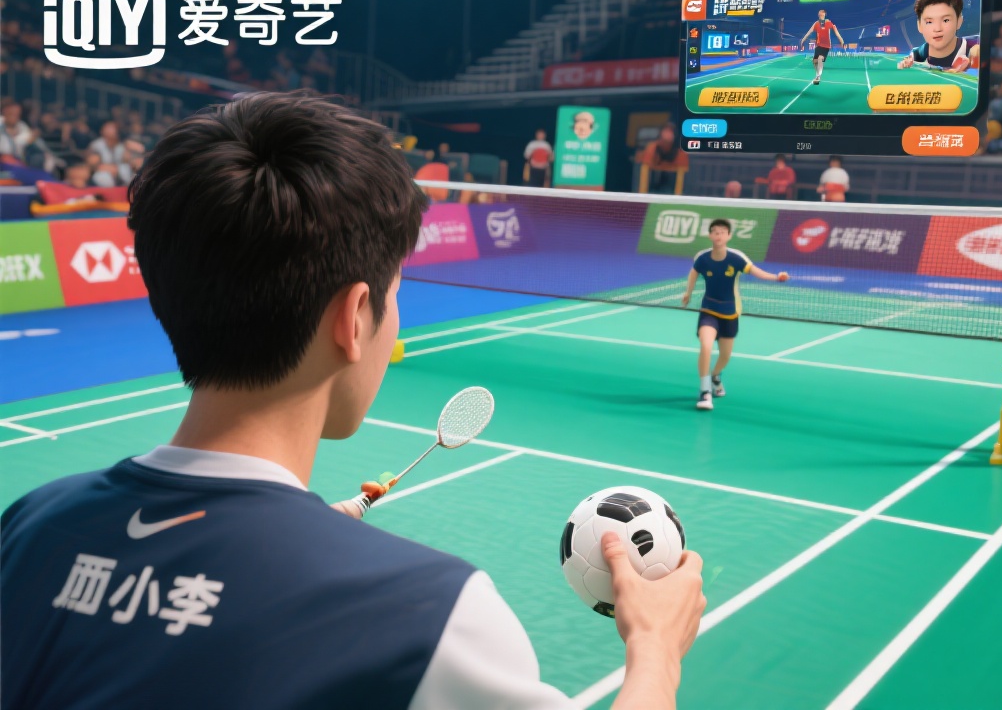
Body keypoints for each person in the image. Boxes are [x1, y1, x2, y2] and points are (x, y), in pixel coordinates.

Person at [1, 92, 706, 710]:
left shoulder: (29, 527)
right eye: (395, 296)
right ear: (353, 316)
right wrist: (656, 647)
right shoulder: (431, 615)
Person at [681, 219, 788, 411]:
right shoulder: (702, 258)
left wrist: (776, 277)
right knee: (706, 345)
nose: (718, 235)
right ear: (710, 235)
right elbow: (693, 272)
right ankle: (705, 391)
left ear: (729, 236)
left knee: (725, 356)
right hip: (708, 310)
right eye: (715, 232)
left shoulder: (737, 258)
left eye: (722, 232)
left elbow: (757, 272)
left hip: (730, 313)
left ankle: (715, 375)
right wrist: (688, 292)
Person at [897, 0, 980, 73]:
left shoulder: (972, 47)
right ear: (919, 26)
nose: (937, 29)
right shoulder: (918, 54)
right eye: (929, 22)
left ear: (959, 21)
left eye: (946, 20)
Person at [638, 123, 689, 194]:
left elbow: (681, 177)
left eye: (670, 132)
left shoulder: (680, 152)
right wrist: (642, 195)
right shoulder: (652, 148)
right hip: (653, 185)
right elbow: (645, 170)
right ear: (660, 134)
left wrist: (677, 197)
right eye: (666, 131)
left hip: (671, 187)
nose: (667, 134)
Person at [799, 9, 845, 85]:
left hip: (826, 46)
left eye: (822, 13)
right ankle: (817, 75)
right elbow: (809, 32)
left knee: (820, 58)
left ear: (824, 14)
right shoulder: (816, 24)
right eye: (819, 13)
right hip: (818, 45)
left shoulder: (829, 23)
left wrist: (841, 40)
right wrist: (803, 40)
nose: (820, 14)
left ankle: (818, 76)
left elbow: (836, 32)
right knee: (814, 61)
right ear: (818, 15)